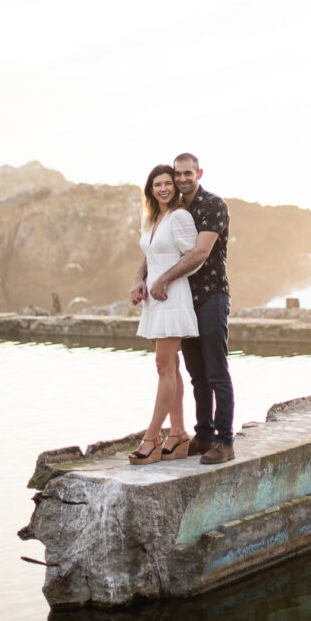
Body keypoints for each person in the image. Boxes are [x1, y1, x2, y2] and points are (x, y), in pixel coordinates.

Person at [131, 153, 235, 464]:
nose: (180, 179)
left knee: (216, 371)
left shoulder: (212, 205)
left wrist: (161, 278)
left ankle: (225, 441)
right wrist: (141, 276)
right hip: (183, 296)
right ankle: (201, 435)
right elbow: (156, 250)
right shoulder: (172, 209)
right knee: (195, 374)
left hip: (210, 295)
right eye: (176, 175)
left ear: (198, 173)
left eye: (186, 173)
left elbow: (200, 252)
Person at [129, 164, 199, 465]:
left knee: (163, 367)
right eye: (158, 184)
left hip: (172, 296)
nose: (164, 188)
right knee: (170, 366)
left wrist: (164, 280)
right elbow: (151, 254)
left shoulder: (180, 216)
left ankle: (152, 438)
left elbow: (194, 258)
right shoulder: (153, 217)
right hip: (154, 300)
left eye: (168, 183)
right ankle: (179, 433)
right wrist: (139, 280)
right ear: (151, 188)